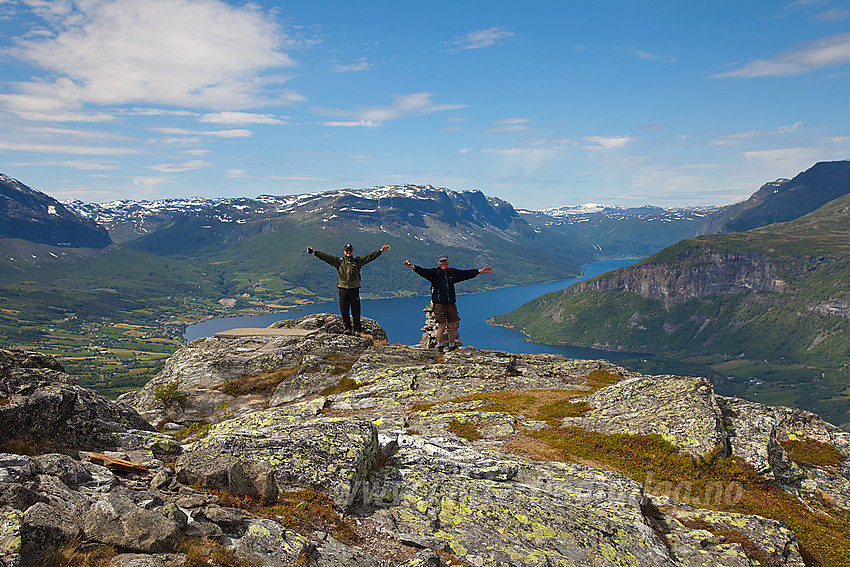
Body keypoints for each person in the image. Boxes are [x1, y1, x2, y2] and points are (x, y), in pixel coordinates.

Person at [404, 254, 493, 351]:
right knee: (441, 326)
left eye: (445, 261)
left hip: (451, 304)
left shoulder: (452, 273)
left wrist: (479, 271)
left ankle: (451, 346)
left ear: (448, 262)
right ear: (439, 263)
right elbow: (423, 271)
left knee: (453, 326)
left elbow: (465, 273)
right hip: (439, 304)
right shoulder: (434, 273)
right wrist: (413, 267)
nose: (443, 263)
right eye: (441, 262)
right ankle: (439, 347)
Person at [307, 243, 391, 335]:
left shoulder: (357, 261)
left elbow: (369, 257)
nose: (348, 252)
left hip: (354, 289)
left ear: (352, 251)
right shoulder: (339, 261)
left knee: (356, 310)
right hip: (342, 288)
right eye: (347, 250)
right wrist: (314, 252)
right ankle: (347, 328)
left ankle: (357, 330)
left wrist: (380, 251)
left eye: (350, 250)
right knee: (344, 310)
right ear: (344, 251)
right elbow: (326, 257)